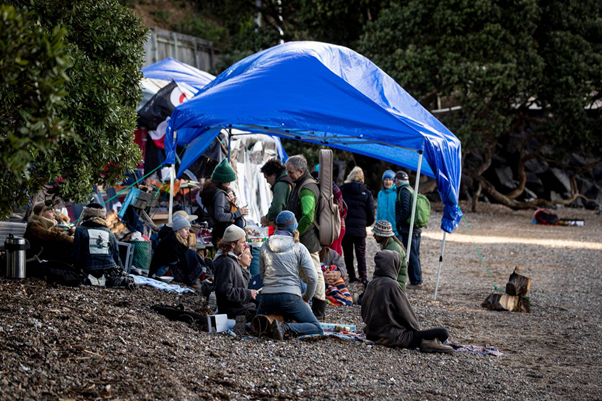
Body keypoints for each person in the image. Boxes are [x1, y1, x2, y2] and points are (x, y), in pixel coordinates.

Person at [361, 250, 453, 352]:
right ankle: (427, 343)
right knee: (443, 333)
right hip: (393, 338)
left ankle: (427, 342)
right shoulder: (392, 285)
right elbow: (406, 314)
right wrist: (416, 331)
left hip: (372, 334)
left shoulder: (371, 284)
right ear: (393, 265)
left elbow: (364, 313)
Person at [258, 211, 323, 339]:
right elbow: (312, 277)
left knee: (258, 323)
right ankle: (285, 327)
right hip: (290, 296)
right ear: (293, 226)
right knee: (316, 327)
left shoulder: (265, 245)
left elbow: (262, 275)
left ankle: (245, 325)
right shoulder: (298, 247)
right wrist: (306, 297)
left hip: (267, 296)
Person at [284, 155, 327, 320]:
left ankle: (318, 311)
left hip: (307, 239)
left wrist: (296, 232)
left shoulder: (307, 188)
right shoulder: (301, 184)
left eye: (291, 172)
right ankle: (312, 308)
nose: (288, 175)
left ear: (301, 171)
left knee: (314, 273)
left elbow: (308, 216)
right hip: (304, 238)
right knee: (307, 273)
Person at [71, 203, 134, 289]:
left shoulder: (80, 230)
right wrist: (123, 271)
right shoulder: (109, 232)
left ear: (86, 215)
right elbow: (116, 256)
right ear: (102, 216)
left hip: (87, 269)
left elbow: (76, 255)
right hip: (108, 270)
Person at [149, 215, 211, 287]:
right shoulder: (170, 240)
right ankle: (198, 279)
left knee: (193, 254)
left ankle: (201, 278)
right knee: (190, 254)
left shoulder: (175, 238)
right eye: (186, 229)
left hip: (166, 269)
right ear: (178, 230)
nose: (188, 232)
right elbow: (172, 260)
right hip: (161, 271)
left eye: (188, 230)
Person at [199, 159, 249, 247]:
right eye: (228, 181)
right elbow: (220, 216)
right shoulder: (220, 195)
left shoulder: (214, 191)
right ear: (222, 180)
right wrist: (239, 212)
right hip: (225, 235)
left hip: (220, 233)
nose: (230, 183)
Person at [213, 225, 257, 319]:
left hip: (240, 309)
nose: (245, 245)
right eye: (242, 242)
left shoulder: (231, 260)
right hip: (236, 313)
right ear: (233, 244)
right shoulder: (226, 262)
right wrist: (248, 293)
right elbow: (225, 292)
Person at [340, 166, 375, 284]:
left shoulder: (343, 190)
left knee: (348, 253)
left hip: (346, 227)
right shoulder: (366, 192)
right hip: (360, 229)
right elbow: (371, 212)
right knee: (361, 254)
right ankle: (363, 277)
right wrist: (366, 223)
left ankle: (352, 276)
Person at [395, 170, 423, 287]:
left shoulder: (404, 191)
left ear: (398, 181)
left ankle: (416, 281)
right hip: (415, 227)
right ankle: (416, 279)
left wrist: (399, 222)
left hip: (409, 229)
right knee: (414, 254)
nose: (394, 182)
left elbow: (406, 209)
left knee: (412, 254)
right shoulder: (410, 189)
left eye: (395, 180)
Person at [372, 220, 407, 291]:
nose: (373, 235)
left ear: (381, 235)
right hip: (395, 285)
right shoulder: (389, 245)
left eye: (375, 234)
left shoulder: (391, 250)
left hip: (395, 288)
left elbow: (387, 274)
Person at [260, 158, 293, 227]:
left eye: (267, 178)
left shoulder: (280, 184)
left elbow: (276, 208)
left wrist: (267, 219)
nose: (267, 181)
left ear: (274, 175)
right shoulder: (286, 179)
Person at [376, 170, 399, 237]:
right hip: (382, 228)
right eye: (386, 179)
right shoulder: (380, 194)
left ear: (393, 181)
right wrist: (377, 225)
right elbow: (378, 211)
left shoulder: (397, 193)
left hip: (394, 229)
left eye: (390, 180)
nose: (388, 182)